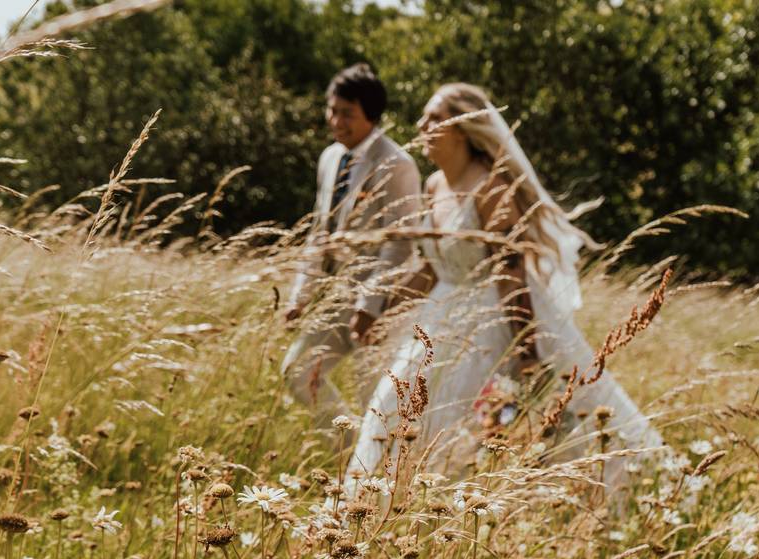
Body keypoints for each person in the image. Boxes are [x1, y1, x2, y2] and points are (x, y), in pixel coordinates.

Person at [346, 83, 663, 489]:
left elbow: (512, 272)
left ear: (462, 128)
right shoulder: (433, 186)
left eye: (434, 118)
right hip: (439, 319)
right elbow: (429, 267)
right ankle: (377, 501)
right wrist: (381, 311)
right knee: (391, 403)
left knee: (458, 420)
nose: (421, 125)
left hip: (489, 322)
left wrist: (526, 353)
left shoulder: (491, 186)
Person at [282, 64, 422, 428]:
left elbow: (400, 242)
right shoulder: (330, 157)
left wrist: (369, 306)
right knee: (297, 372)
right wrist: (299, 296)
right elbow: (319, 229)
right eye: (332, 110)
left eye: (348, 114)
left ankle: (372, 469)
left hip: (381, 303)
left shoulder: (397, 163)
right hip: (335, 295)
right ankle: (349, 448)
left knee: (372, 397)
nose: (336, 121)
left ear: (372, 116)